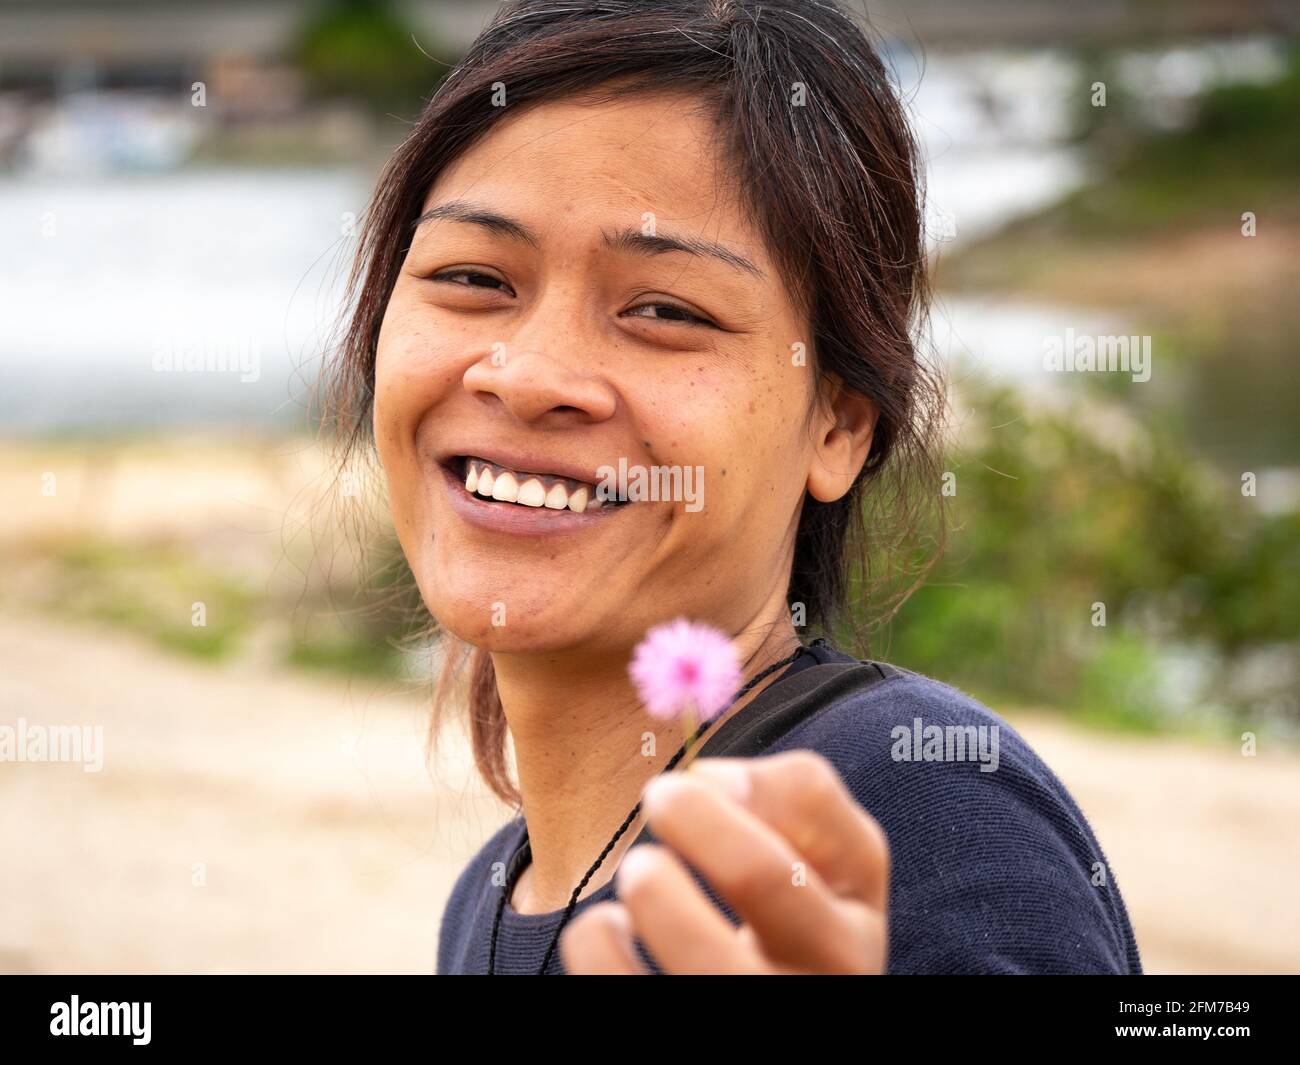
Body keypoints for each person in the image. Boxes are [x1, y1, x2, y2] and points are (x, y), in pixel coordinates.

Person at [325, 0, 1143, 975]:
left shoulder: (911, 809)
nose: (528, 374)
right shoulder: (494, 895)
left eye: (665, 309)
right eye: (474, 279)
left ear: (836, 427)